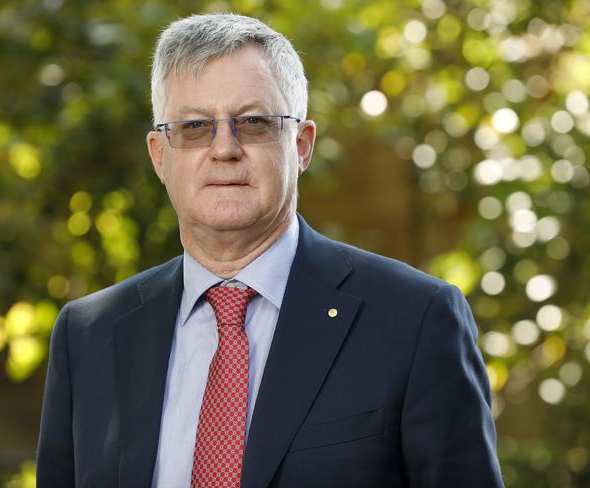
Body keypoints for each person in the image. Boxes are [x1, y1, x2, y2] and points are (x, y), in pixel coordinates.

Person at [36, 13, 504, 488]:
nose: (224, 148)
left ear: (301, 146)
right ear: (160, 155)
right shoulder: (88, 336)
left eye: (254, 123)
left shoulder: (415, 319)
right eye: (195, 126)